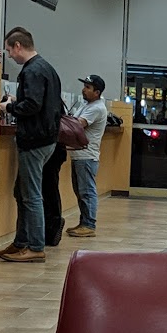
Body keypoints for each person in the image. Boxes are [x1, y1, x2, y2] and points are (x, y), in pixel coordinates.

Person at [0, 27, 61, 264]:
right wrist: (19, 100)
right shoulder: (47, 68)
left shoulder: (31, 70)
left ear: (18, 46)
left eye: (9, 51)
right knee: (22, 192)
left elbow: (33, 105)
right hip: (47, 139)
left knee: (31, 195)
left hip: (33, 140)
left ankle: (35, 246)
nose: (9, 56)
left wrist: (10, 107)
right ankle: (21, 241)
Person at [64, 75, 111, 238]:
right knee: (80, 191)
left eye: (88, 87)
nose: (83, 90)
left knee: (86, 191)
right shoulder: (88, 105)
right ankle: (84, 222)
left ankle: (89, 225)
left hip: (86, 156)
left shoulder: (96, 108)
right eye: (84, 86)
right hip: (80, 155)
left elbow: (77, 125)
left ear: (97, 92)